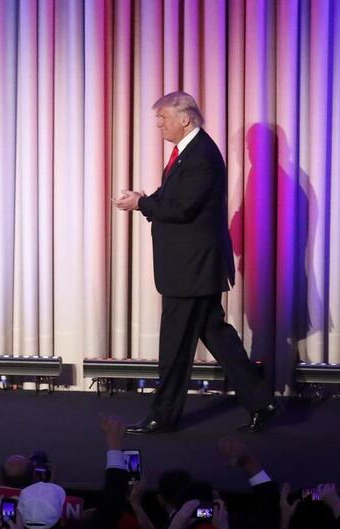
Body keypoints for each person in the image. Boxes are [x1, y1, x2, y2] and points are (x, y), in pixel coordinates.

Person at [115, 91, 278, 434]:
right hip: (192, 267)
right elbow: (175, 198)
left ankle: (163, 415)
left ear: (185, 118)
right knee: (218, 337)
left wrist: (140, 205)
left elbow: (182, 209)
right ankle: (262, 402)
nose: (158, 124)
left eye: (163, 118)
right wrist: (145, 199)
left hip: (191, 269)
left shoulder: (201, 155)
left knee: (174, 344)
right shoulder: (189, 153)